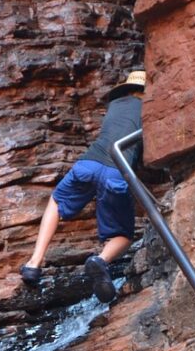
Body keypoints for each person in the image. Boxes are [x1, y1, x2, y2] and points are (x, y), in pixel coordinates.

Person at [20, 70, 146, 302]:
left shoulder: (116, 105)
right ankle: (100, 261)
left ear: (127, 89)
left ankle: (34, 263)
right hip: (116, 172)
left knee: (57, 202)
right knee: (123, 235)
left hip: (87, 163)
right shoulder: (149, 109)